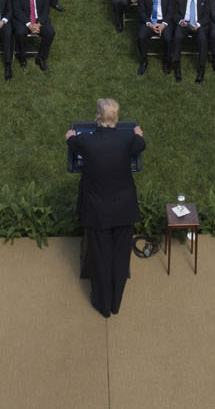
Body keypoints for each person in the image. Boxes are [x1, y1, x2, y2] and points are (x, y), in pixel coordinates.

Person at [66, 100, 145, 317]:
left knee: (100, 256)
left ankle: (102, 304)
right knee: (120, 257)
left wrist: (70, 136)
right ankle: (115, 303)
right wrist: (138, 133)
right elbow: (141, 143)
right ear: (116, 118)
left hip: (98, 211)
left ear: (98, 118)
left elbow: (71, 142)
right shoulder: (128, 139)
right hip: (124, 209)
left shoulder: (87, 142)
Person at [11, 0, 53, 72]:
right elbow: (17, 10)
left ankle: (41, 58)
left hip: (39, 20)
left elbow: (45, 9)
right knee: (20, 32)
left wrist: (38, 24)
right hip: (24, 20)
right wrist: (29, 24)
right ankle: (22, 56)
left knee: (50, 32)